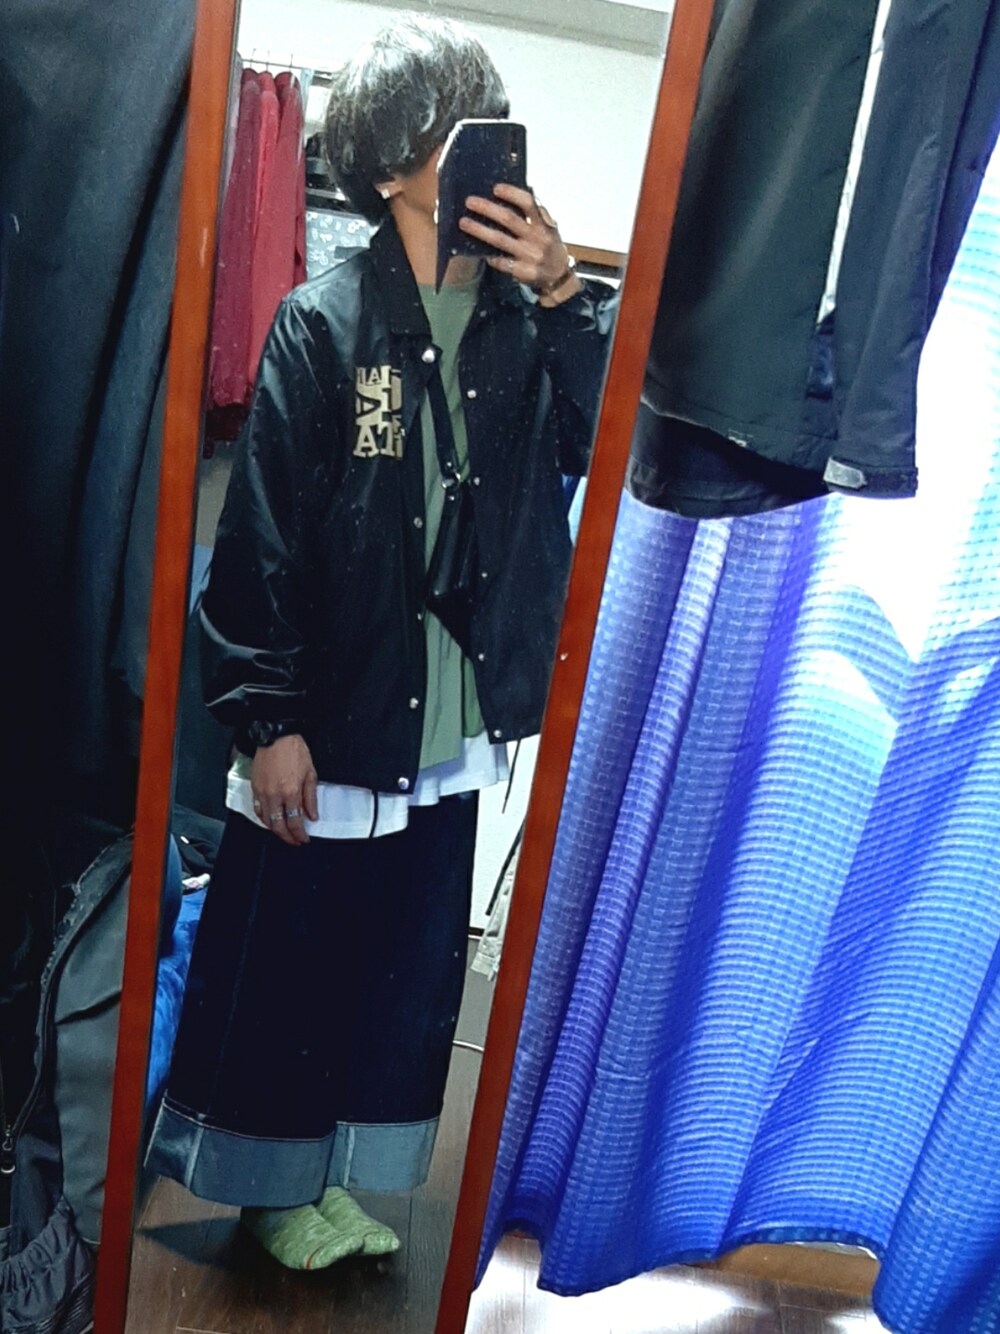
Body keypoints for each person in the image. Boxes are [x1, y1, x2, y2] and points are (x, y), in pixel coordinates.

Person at [147, 14, 616, 1271]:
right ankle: (267, 1189)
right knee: (290, 961)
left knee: (398, 966)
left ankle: (337, 1176)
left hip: (448, 714)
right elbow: (261, 541)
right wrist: (268, 719)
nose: (493, 147)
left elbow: (602, 442)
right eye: (467, 127)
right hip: (332, 705)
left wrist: (563, 292)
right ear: (401, 162)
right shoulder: (324, 321)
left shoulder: (522, 322)